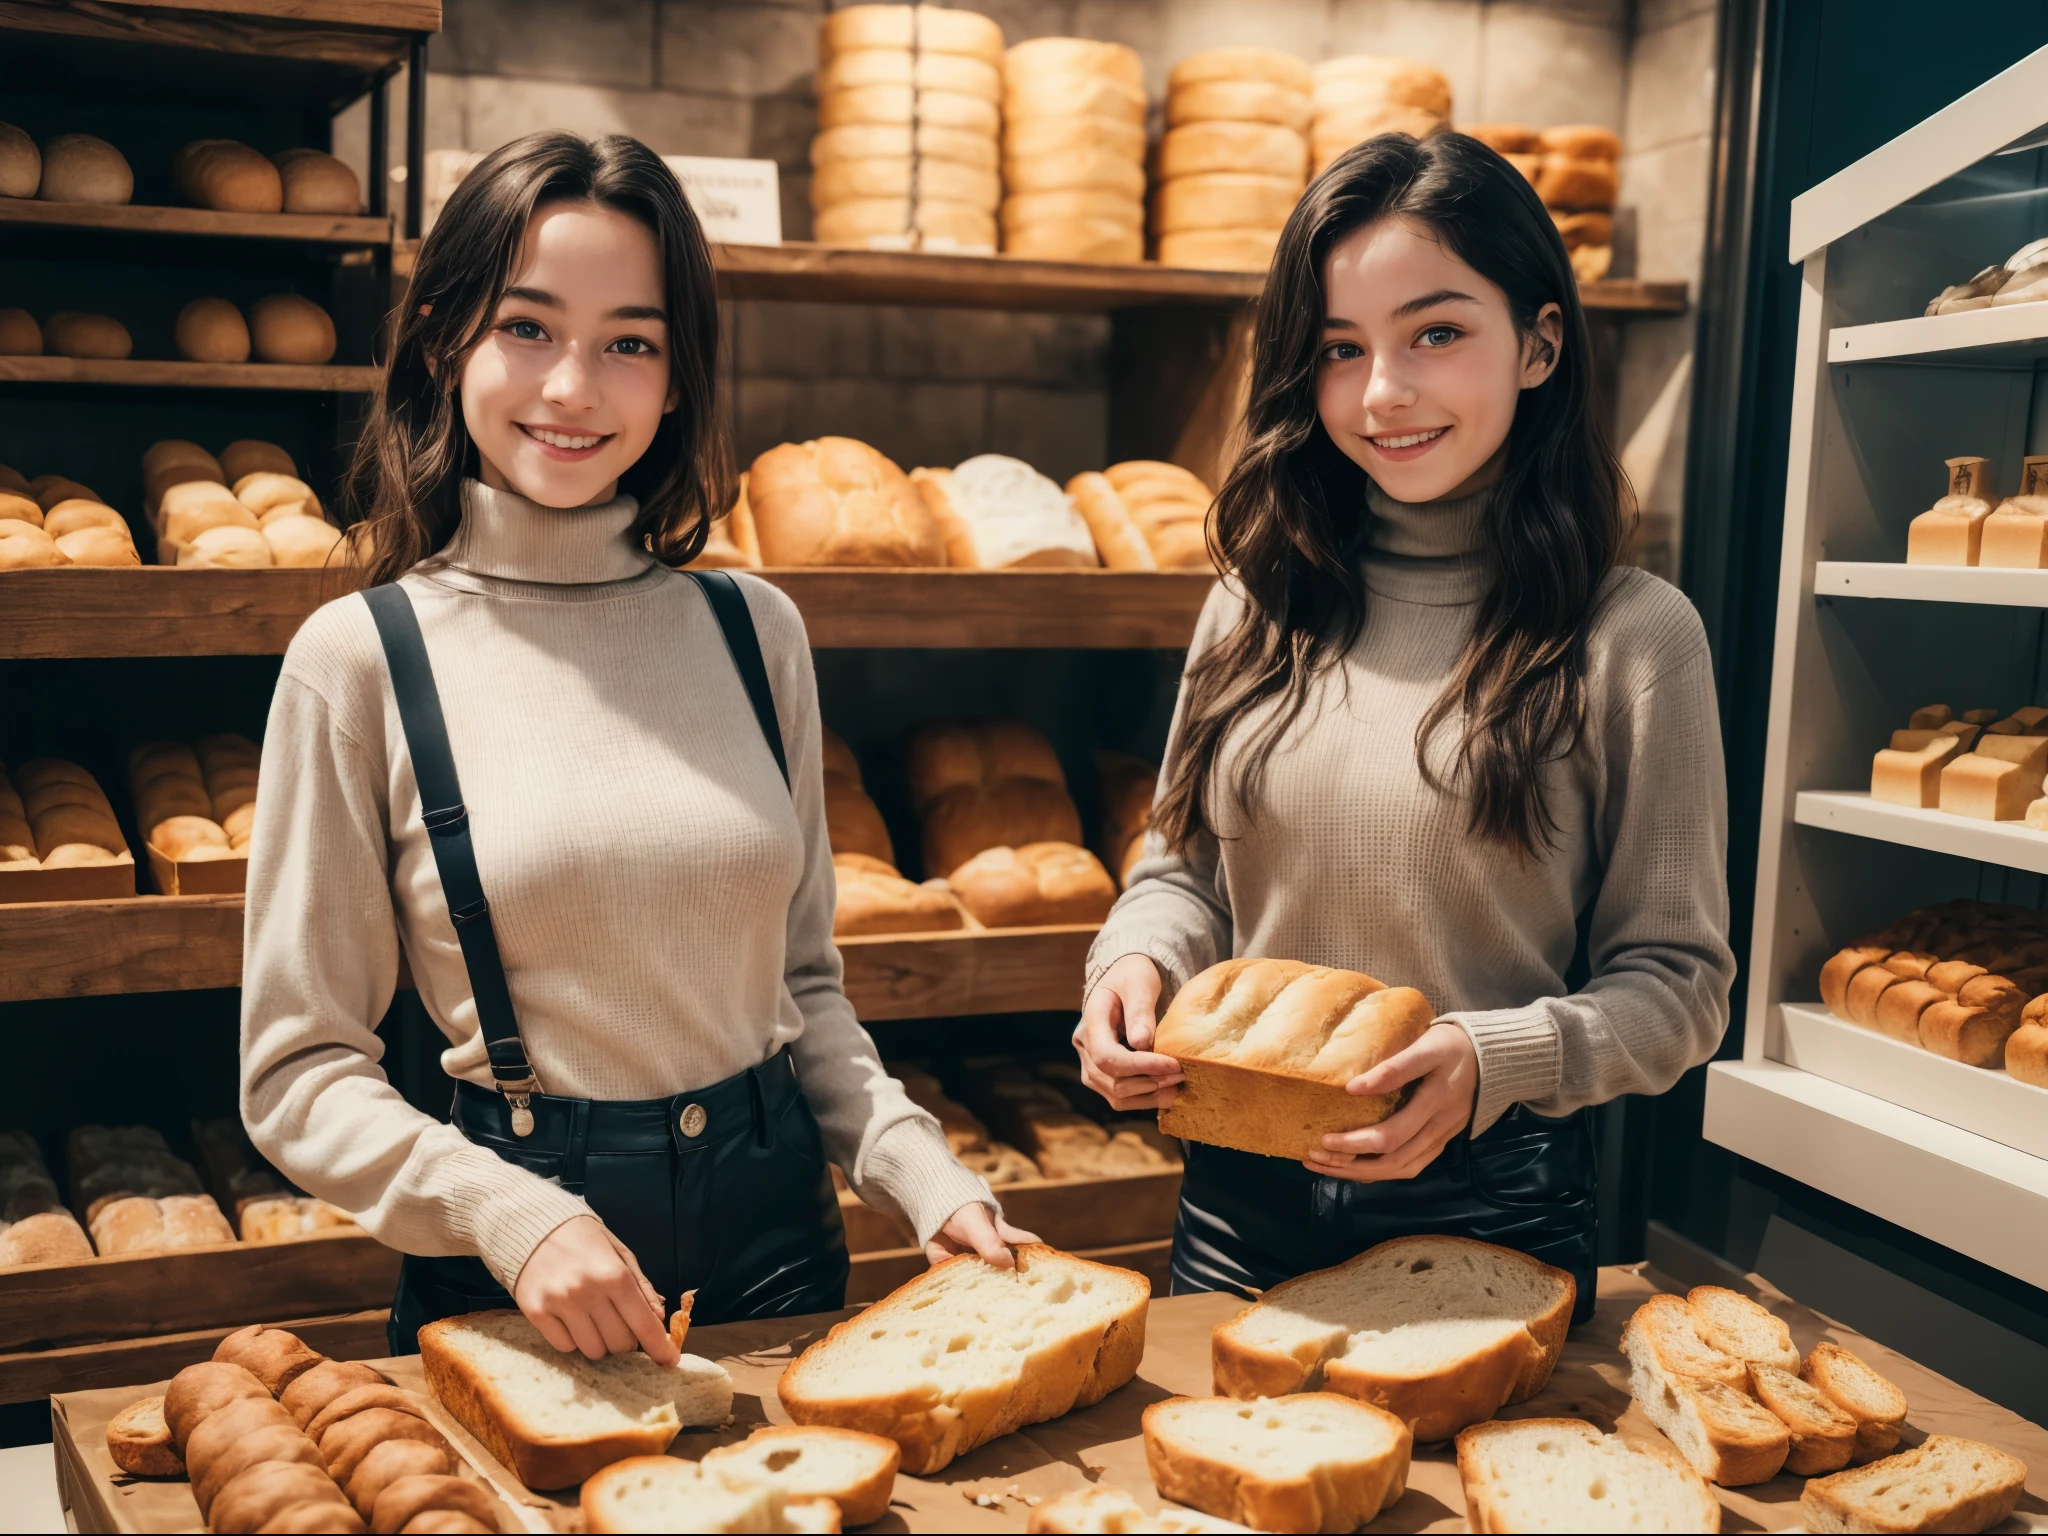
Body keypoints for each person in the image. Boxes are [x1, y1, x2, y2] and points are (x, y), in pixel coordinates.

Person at [239, 132, 1028, 1363]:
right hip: (516, 1263)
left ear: (675, 376)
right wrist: (503, 1211)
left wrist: (922, 1172)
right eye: (528, 328)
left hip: (783, 1239)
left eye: (629, 343)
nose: (573, 389)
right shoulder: (359, 659)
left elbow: (802, 991)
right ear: (447, 336)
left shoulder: (754, 629)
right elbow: (296, 1071)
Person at [1074, 132, 1734, 1318]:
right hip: (1234, 1201)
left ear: (1537, 343)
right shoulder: (1252, 605)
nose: (1381, 393)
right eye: (1338, 349)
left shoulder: (1634, 637)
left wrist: (1494, 1058)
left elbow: (1678, 986)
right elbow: (1179, 872)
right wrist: (1133, 961)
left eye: (1435, 332)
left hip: (1488, 1212)